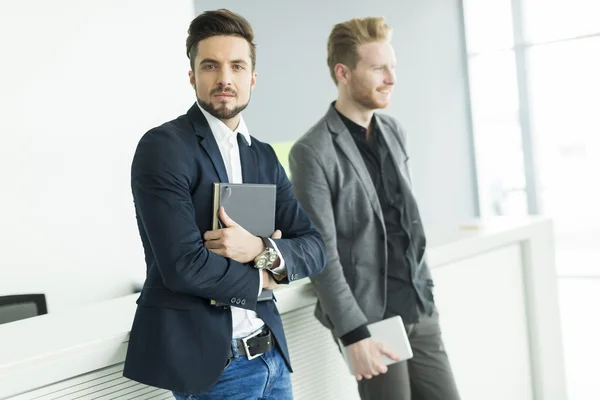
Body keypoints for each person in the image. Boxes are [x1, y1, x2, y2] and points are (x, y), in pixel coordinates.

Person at [123, 9, 326, 400]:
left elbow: (315, 246)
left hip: (272, 358)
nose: (225, 79)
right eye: (211, 66)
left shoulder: (263, 157)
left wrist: (260, 250)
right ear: (192, 76)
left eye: (237, 66)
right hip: (215, 370)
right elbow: (184, 266)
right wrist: (264, 277)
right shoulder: (164, 148)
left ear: (253, 78)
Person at [289, 16, 461, 400]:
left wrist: (426, 291)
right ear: (343, 72)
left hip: (419, 307)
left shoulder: (394, 131)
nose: (391, 78)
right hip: (371, 322)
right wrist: (353, 334)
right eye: (379, 68)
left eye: (393, 67)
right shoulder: (312, 151)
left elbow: (405, 222)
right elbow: (322, 254)